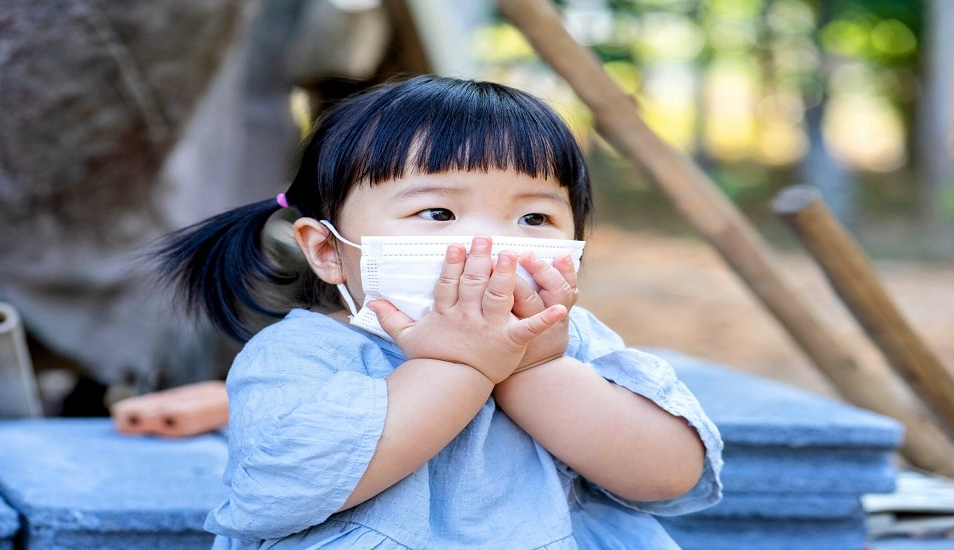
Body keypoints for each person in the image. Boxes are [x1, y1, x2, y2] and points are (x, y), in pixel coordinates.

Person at [156, 75, 723, 549]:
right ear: (329, 251)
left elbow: (669, 477)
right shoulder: (302, 355)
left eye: (533, 219)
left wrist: (534, 369)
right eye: (438, 211)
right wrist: (459, 368)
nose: (488, 243)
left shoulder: (571, 343)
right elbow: (276, 492)